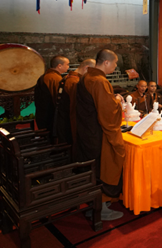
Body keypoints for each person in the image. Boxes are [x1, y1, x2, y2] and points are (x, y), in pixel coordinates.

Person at [75, 49, 125, 221]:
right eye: (115, 63)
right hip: (98, 134)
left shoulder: (86, 77)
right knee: (103, 167)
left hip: (87, 131)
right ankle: (101, 208)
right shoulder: (99, 81)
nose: (116, 66)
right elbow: (108, 113)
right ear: (106, 62)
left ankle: (95, 203)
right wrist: (116, 101)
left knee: (94, 169)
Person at [54, 58, 95, 147]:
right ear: (86, 68)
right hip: (68, 123)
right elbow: (75, 107)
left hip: (63, 119)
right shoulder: (74, 82)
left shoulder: (67, 77)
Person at [35, 55, 70, 134]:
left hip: (42, 114)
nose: (68, 67)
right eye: (67, 64)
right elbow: (58, 98)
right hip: (50, 117)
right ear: (59, 66)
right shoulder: (54, 78)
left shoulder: (46, 76)